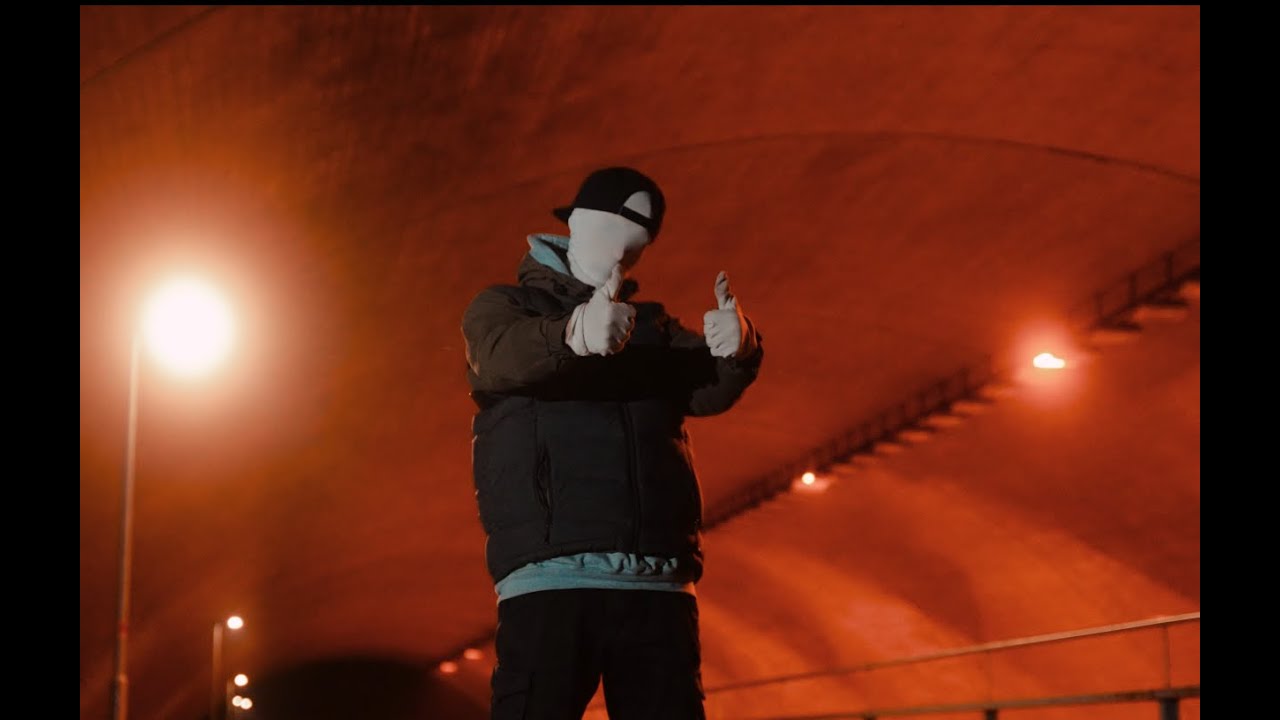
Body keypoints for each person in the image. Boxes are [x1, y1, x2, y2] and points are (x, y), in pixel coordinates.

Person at [462, 166, 764, 719]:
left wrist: (736, 350)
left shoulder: (649, 327)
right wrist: (573, 333)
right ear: (576, 223)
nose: (623, 253)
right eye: (614, 232)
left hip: (658, 582)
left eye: (637, 244)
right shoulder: (507, 308)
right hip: (552, 575)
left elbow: (705, 389)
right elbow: (498, 358)